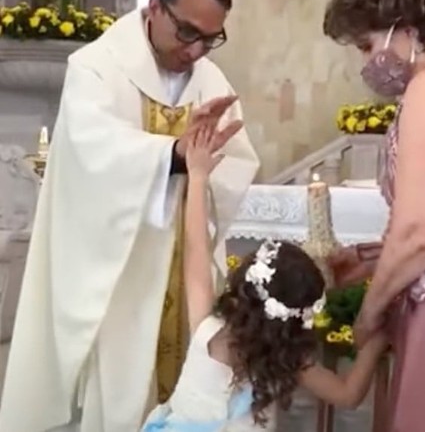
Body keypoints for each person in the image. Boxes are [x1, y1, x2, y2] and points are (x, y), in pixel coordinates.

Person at [0, 0, 260, 431]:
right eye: (187, 32)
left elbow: (237, 164)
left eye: (211, 38)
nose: (197, 50)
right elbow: (90, 154)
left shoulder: (212, 84)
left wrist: (206, 163)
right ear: (155, 6)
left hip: (185, 280)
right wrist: (174, 155)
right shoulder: (97, 68)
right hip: (121, 280)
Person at [140, 127, 388, 431]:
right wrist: (376, 342)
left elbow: (196, 250)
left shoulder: (209, 329)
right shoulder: (288, 358)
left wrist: (198, 174)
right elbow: (348, 395)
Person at [322, 0, 425, 430]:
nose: (367, 61)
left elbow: (420, 232)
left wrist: (369, 316)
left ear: (404, 27)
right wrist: (370, 258)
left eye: (368, 44)